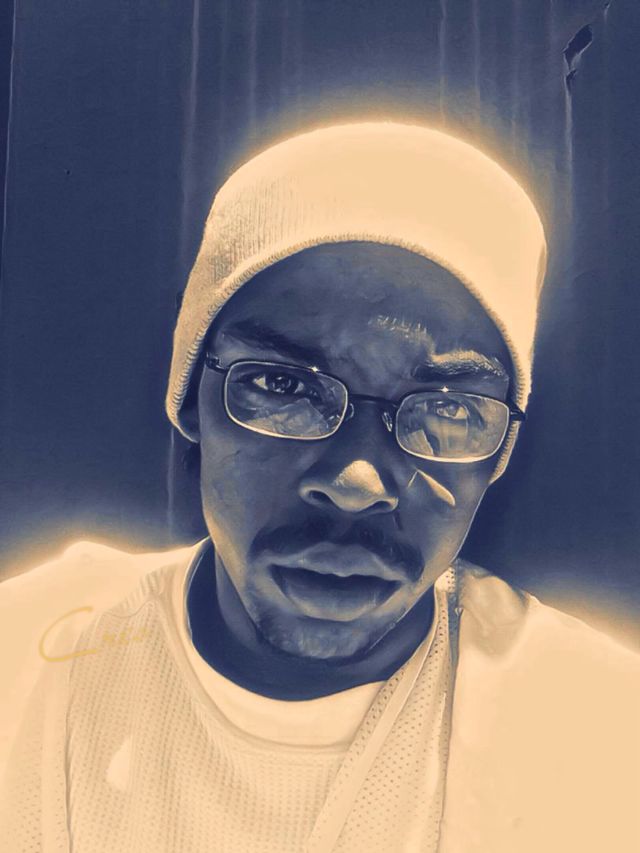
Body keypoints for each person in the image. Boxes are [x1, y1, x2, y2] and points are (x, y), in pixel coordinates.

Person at [1, 122, 638, 853]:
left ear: (500, 453)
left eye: (449, 409)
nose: (357, 482)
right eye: (284, 386)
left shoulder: (599, 743)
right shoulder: (24, 668)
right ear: (189, 400)